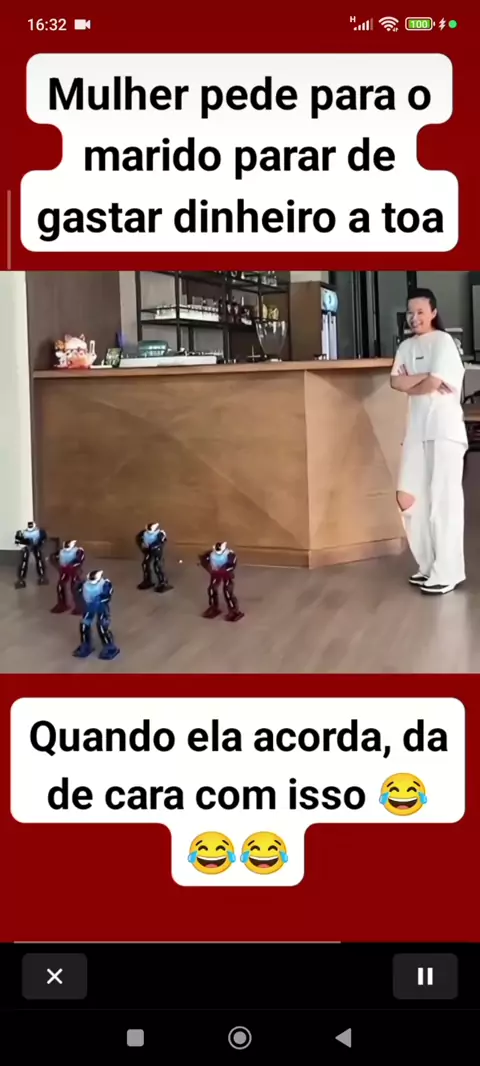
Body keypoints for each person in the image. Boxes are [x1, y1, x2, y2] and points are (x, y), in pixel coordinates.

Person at [390, 288, 467, 595]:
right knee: (408, 498)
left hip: (444, 430)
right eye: (410, 312)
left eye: (420, 312)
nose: (414, 318)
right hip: (416, 430)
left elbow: (433, 382)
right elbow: (395, 382)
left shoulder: (444, 342)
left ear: (433, 312)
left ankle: (447, 571)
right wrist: (424, 379)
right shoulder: (406, 346)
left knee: (442, 502)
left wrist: (416, 380)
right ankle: (428, 564)